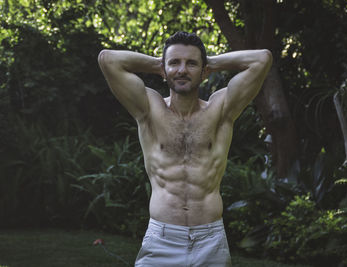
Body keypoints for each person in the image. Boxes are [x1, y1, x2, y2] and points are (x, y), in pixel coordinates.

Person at [98, 31, 272, 267]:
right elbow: (108, 59)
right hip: (161, 240)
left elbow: (262, 59)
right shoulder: (148, 107)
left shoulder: (220, 109)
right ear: (164, 69)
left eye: (191, 63)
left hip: (210, 240)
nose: (182, 70)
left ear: (203, 71)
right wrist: (159, 64)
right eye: (174, 63)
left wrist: (211, 63)